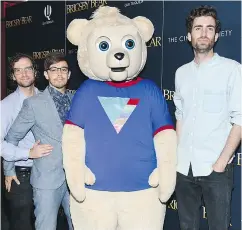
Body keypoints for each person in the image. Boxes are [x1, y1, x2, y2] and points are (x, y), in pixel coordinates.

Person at [173, 5, 241, 230]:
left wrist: (221, 162)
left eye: (209, 29)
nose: (203, 33)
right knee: (187, 226)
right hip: (184, 167)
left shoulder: (232, 70)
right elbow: (180, 116)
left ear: (217, 35)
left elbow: (239, 119)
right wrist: (177, 155)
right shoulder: (181, 73)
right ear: (188, 35)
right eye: (198, 28)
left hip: (215, 169)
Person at [4, 52, 74, 230]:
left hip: (75, 177)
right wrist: (8, 170)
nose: (59, 74)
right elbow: (11, 137)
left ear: (69, 74)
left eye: (63, 70)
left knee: (79, 224)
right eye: (54, 70)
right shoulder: (32, 103)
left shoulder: (77, 99)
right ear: (45, 74)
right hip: (47, 179)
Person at [1, 53, 53, 230]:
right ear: (13, 76)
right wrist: (27, 154)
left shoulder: (48, 99)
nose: (24, 74)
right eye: (18, 70)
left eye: (28, 69)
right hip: (21, 175)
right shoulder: (6, 106)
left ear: (35, 72)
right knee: (22, 225)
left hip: (48, 174)